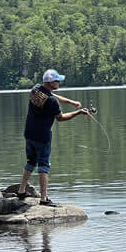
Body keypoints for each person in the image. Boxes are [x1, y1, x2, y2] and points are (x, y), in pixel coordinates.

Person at [17, 69, 89, 206]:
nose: (59, 82)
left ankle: (21, 191)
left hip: (29, 133)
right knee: (44, 165)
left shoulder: (36, 89)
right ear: (50, 82)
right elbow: (60, 118)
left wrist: (70, 102)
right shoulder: (52, 102)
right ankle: (44, 199)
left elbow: (52, 95)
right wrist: (78, 112)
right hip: (43, 136)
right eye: (57, 80)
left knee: (30, 162)